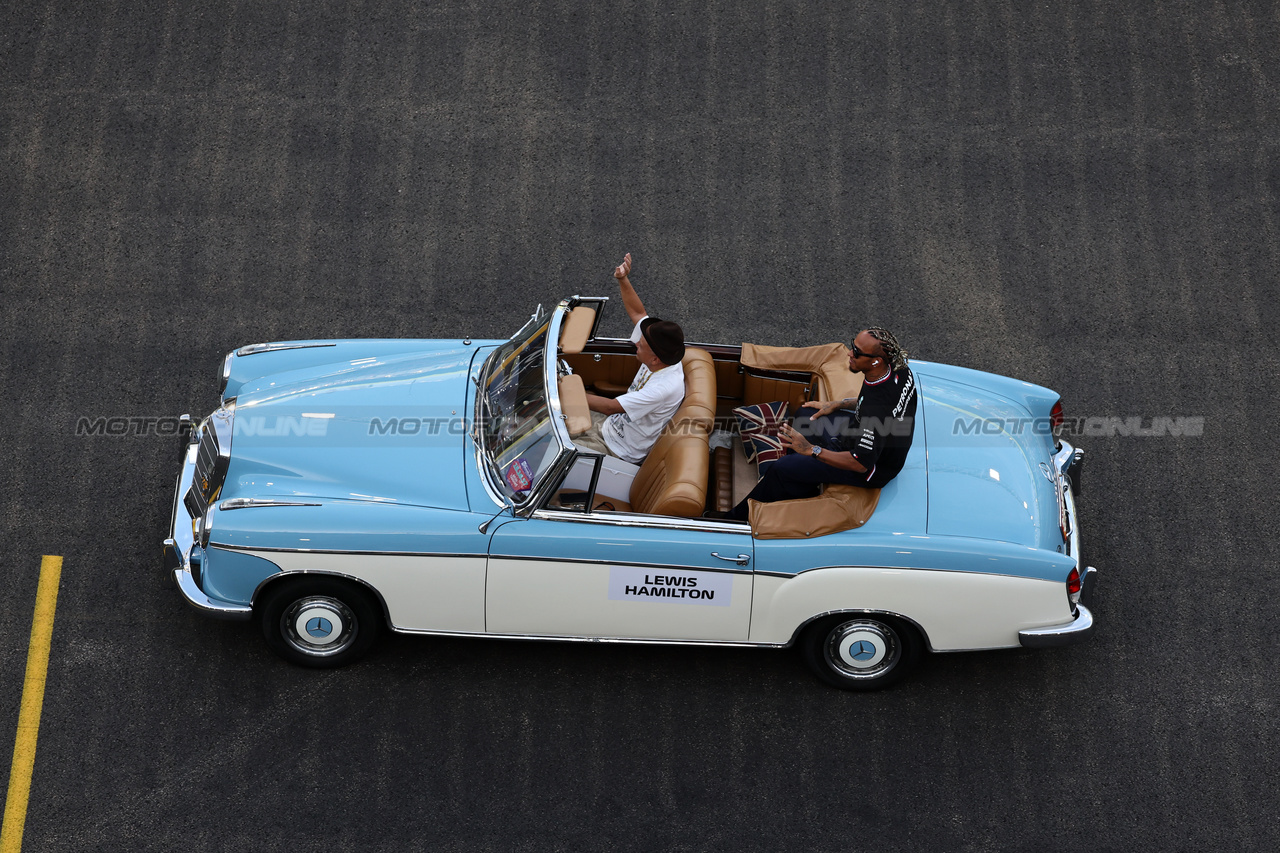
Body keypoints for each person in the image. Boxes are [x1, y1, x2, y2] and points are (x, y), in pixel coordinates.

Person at [725, 327, 917, 520]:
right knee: (807, 414)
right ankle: (798, 486)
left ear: (876, 361)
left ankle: (736, 517)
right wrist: (837, 404)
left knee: (782, 468)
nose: (850, 353)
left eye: (857, 352)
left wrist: (812, 450)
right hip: (857, 433)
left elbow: (860, 463)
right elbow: (869, 401)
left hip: (871, 468)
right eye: (852, 345)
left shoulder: (876, 412)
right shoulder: (897, 368)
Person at [573, 253, 686, 465]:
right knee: (546, 422)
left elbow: (610, 407)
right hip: (609, 425)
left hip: (618, 449)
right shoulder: (661, 354)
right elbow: (638, 313)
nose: (635, 342)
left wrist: (561, 395)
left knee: (548, 445)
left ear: (654, 360)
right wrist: (623, 279)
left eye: (640, 344)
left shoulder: (663, 388)